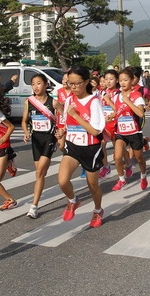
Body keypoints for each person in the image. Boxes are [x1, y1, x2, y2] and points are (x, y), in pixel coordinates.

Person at [56, 65, 106, 228]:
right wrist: (62, 132)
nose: (73, 87)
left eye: (77, 83)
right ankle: (73, 201)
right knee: (62, 181)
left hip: (91, 148)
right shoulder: (69, 99)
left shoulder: (93, 102)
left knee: (93, 186)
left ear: (86, 82)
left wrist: (76, 116)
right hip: (73, 146)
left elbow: (95, 130)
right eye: (70, 83)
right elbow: (65, 121)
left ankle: (98, 210)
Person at [22, 74, 61, 218]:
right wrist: (26, 133)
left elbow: (64, 119)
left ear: (46, 85)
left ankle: (34, 206)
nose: (36, 87)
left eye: (39, 83)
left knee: (39, 173)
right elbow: (24, 121)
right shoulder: (29, 102)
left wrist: (61, 132)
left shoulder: (53, 102)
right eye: (33, 84)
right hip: (36, 140)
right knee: (40, 173)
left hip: (49, 138)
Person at [110, 67, 148, 191]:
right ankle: (121, 180)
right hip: (120, 132)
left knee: (139, 159)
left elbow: (141, 114)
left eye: (125, 80)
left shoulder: (136, 95)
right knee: (117, 156)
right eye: (120, 80)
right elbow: (116, 112)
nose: (122, 83)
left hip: (134, 132)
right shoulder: (116, 96)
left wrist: (128, 101)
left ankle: (143, 176)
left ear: (132, 80)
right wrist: (110, 117)